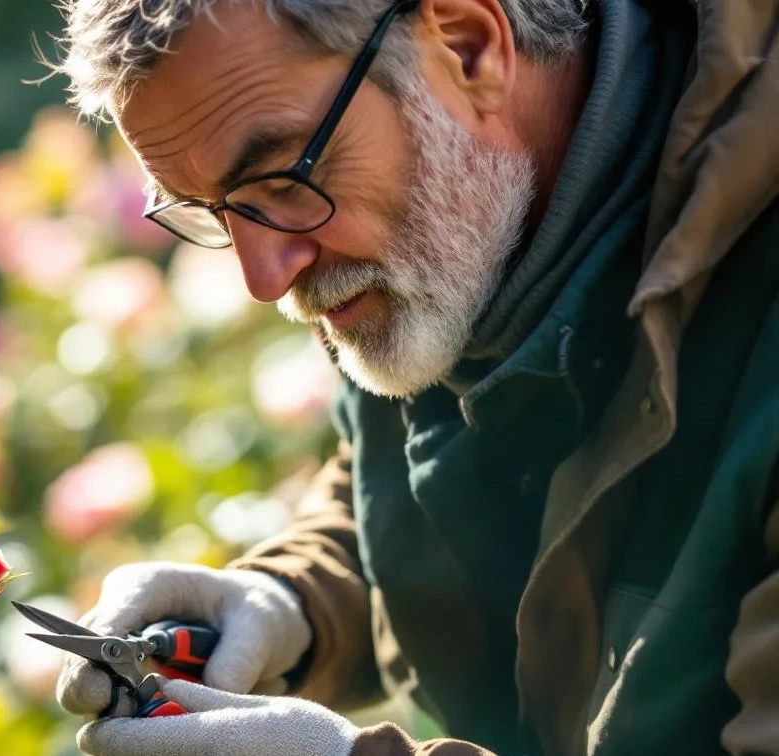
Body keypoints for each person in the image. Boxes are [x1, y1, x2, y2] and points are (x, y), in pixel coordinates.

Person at [46, 0, 779, 753]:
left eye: (283, 176)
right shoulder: (454, 220)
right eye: (210, 212)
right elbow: (414, 462)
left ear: (468, 46)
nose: (264, 279)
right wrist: (292, 598)